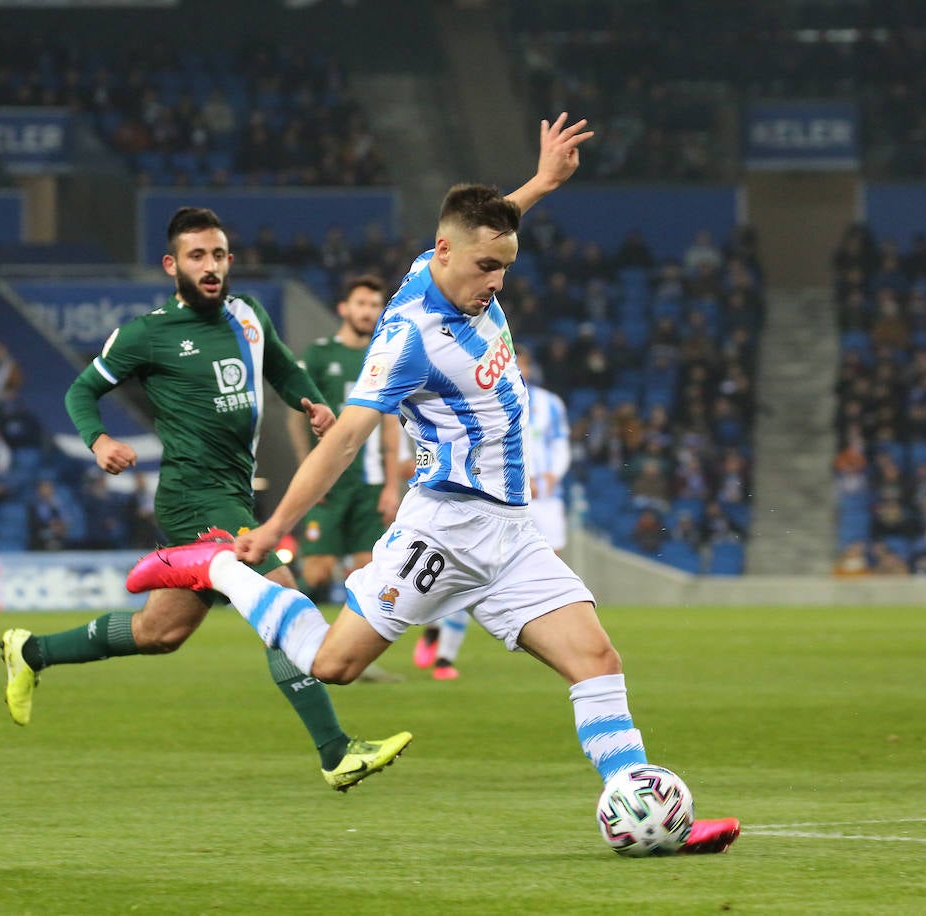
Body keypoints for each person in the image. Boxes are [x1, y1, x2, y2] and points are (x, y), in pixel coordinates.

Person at [126, 115, 738, 853]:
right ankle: (217, 567)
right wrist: (272, 528)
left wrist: (541, 183)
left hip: (509, 533)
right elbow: (346, 437)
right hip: (441, 531)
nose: (496, 283)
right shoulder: (410, 335)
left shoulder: (442, 259)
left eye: (504, 268)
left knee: (596, 658)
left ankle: (646, 811)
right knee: (333, 665)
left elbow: (484, 226)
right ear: (447, 257)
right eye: (486, 269)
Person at [0, 207, 410, 792]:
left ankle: (31, 652)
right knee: (282, 604)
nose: (211, 266)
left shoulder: (249, 316)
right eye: (197, 256)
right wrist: (99, 440)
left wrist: (314, 404)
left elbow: (285, 370)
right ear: (172, 265)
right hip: (195, 499)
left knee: (159, 633)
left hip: (230, 492)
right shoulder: (148, 332)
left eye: (218, 255)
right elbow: (82, 390)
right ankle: (336, 751)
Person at [412, 344, 571, 680]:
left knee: (547, 564)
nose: (520, 370)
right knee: (473, 571)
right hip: (496, 498)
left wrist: (552, 474)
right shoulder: (486, 400)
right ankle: (443, 651)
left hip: (544, 497)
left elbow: (560, 444)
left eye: (524, 364)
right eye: (515, 363)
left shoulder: (549, 405)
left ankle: (537, 627)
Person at [287, 275, 403, 605]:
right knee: (317, 571)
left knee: (366, 572)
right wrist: (307, 470)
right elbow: (296, 417)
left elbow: (391, 425)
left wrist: (392, 486)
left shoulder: (384, 358)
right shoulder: (319, 355)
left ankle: (346, 651)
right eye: (361, 304)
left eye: (374, 305)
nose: (368, 312)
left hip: (369, 486)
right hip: (328, 482)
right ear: (344, 308)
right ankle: (285, 626)